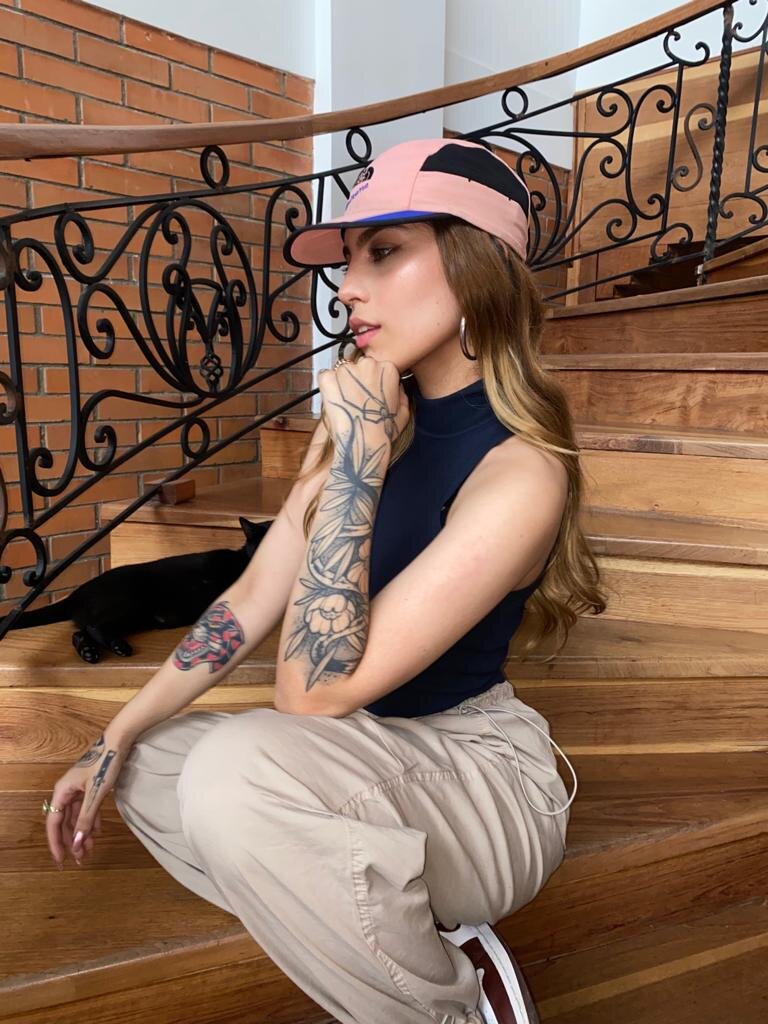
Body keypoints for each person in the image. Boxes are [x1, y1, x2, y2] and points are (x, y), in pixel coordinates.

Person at [43, 137, 600, 1024]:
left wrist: (360, 462)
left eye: (383, 252)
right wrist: (111, 736)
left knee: (236, 776)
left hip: (478, 775)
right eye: (346, 260)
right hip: (358, 756)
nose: (346, 288)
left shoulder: (521, 471)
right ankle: (413, 931)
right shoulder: (360, 421)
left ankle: (451, 1008)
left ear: (476, 268)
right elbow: (248, 602)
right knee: (150, 764)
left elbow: (308, 697)